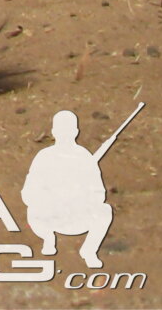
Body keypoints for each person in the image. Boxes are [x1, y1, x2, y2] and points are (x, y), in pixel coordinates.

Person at [23, 109, 116, 269]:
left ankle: (89, 250)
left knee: (104, 211)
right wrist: (49, 198)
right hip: (50, 216)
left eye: (68, 130)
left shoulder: (84, 157)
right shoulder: (44, 157)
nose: (64, 134)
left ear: (75, 132)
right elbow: (29, 191)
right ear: (54, 132)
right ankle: (48, 239)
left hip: (77, 215)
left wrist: (80, 197)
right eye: (60, 130)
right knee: (33, 212)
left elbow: (98, 192)